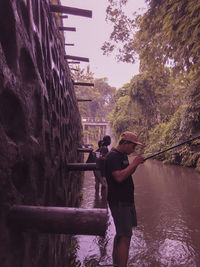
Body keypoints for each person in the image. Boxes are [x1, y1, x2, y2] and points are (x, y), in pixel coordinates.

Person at [105, 131, 144, 267]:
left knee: (121, 234)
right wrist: (134, 164)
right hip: (119, 202)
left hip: (125, 201)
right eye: (133, 146)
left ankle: (116, 263)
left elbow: (126, 173)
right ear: (125, 143)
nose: (134, 149)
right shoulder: (113, 157)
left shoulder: (122, 155)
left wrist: (135, 164)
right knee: (125, 237)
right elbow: (119, 177)